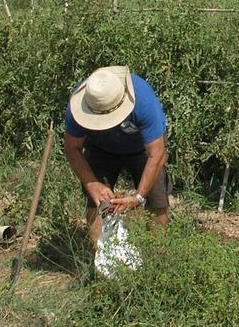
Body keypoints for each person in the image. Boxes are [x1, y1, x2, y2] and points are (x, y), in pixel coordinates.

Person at [63, 66, 170, 244]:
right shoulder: (80, 104)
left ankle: (157, 258)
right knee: (96, 204)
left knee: (157, 203)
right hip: (100, 149)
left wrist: (138, 197)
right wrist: (92, 184)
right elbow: (72, 148)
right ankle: (101, 261)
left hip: (143, 150)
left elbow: (156, 153)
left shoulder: (143, 100)